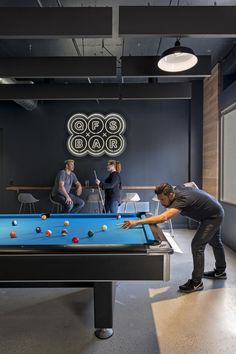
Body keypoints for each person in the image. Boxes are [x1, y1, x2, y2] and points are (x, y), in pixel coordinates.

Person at [122, 182, 227, 293]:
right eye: (160, 199)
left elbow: (164, 217)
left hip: (213, 217)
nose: (161, 203)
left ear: (171, 195)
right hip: (213, 210)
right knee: (215, 242)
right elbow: (192, 184)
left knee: (197, 245)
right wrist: (199, 195)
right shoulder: (178, 188)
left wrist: (136, 222)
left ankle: (197, 283)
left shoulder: (181, 200)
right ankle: (220, 272)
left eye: (163, 200)